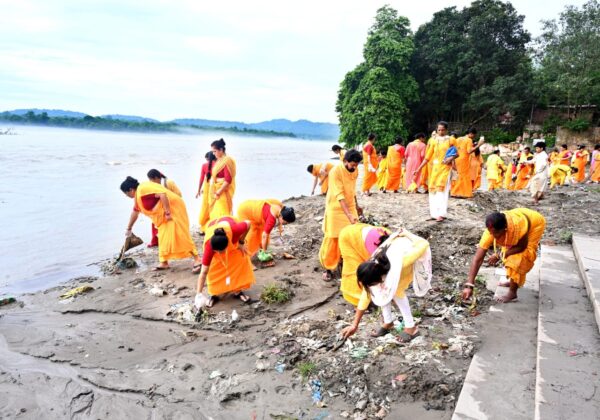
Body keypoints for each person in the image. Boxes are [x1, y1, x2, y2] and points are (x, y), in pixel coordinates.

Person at [340, 228, 431, 342]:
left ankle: (411, 327)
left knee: (396, 292)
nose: (371, 287)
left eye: (372, 284)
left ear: (380, 277)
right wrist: (354, 325)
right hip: (393, 255)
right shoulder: (373, 268)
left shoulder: (402, 262)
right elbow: (367, 295)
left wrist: (408, 234)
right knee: (380, 291)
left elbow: (424, 244)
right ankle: (388, 322)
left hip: (411, 249)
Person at [461, 209, 546, 303]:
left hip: (535, 224)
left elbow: (521, 247)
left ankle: (512, 293)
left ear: (505, 228)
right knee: (508, 253)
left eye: (496, 233)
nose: (493, 236)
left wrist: (499, 255)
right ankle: (514, 281)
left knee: (517, 258)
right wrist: (469, 285)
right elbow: (478, 259)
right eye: (491, 233)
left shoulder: (519, 228)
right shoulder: (490, 232)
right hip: (518, 219)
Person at [120, 176, 201, 272]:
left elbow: (163, 194)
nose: (126, 196)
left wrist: (167, 213)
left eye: (126, 193)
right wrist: (129, 228)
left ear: (130, 190)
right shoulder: (138, 196)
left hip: (173, 210)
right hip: (165, 215)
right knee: (162, 237)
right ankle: (164, 262)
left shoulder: (143, 189)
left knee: (180, 234)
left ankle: (197, 259)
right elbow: (135, 212)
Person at [319, 150, 363, 281]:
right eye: (352, 164)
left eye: (356, 165)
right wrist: (348, 215)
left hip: (350, 206)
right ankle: (328, 268)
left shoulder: (355, 171)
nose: (354, 167)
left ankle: (345, 263)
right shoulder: (335, 172)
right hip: (335, 208)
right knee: (333, 238)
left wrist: (357, 206)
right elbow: (339, 195)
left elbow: (352, 190)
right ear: (345, 161)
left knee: (351, 236)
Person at [195, 216, 255, 307]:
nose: (219, 253)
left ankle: (237, 290)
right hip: (213, 227)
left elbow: (248, 223)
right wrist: (198, 294)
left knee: (238, 259)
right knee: (214, 268)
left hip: (229, 229)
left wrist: (241, 242)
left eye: (221, 251)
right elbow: (203, 272)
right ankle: (214, 294)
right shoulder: (209, 247)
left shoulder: (235, 231)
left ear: (228, 244)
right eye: (217, 251)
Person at [413, 122, 458, 222]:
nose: (441, 132)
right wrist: (418, 169)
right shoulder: (433, 140)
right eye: (439, 130)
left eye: (443, 130)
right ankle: (434, 214)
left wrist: (450, 159)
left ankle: (441, 214)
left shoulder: (451, 140)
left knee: (441, 190)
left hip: (446, 168)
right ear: (437, 130)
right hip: (435, 169)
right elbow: (427, 157)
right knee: (432, 190)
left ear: (446, 130)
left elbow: (456, 153)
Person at [146, 169, 183, 247]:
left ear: (157, 178)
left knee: (172, 224)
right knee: (155, 221)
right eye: (149, 180)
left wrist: (168, 199)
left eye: (151, 180)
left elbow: (179, 195)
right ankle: (156, 241)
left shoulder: (168, 183)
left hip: (173, 206)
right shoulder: (155, 185)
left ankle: (173, 241)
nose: (150, 182)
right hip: (162, 207)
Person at [451, 128, 484, 198]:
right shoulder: (469, 140)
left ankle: (458, 192)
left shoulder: (458, 139)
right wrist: (479, 144)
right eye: (474, 135)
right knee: (463, 176)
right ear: (471, 134)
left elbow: (454, 150)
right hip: (463, 160)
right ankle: (458, 192)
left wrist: (453, 161)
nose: (473, 137)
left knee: (459, 175)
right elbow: (469, 151)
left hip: (456, 159)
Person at [207, 139, 236, 220]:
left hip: (223, 191)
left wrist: (218, 192)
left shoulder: (227, 161)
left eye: (215, 151)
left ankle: (224, 226)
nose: (213, 153)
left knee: (222, 212)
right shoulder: (219, 161)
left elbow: (228, 180)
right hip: (216, 189)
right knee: (215, 213)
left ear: (221, 150)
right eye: (212, 151)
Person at [196, 151, 217, 234]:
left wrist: (199, 190)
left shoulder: (204, 165)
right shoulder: (218, 164)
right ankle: (214, 226)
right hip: (216, 187)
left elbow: (201, 178)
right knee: (214, 206)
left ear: (208, 159)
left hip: (207, 187)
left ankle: (204, 227)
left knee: (205, 206)